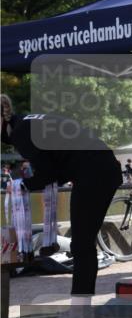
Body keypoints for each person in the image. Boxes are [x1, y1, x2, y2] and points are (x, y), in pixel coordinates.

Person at [1, 94, 121, 297]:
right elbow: (57, 168)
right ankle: (82, 304)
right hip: (101, 167)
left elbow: (46, 174)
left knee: (82, 245)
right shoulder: (27, 121)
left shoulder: (21, 132)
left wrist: (22, 184)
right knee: (83, 243)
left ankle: (81, 308)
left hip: (95, 172)